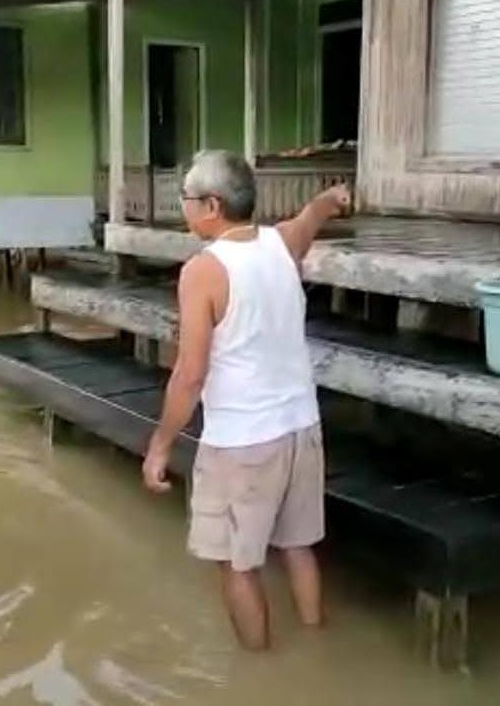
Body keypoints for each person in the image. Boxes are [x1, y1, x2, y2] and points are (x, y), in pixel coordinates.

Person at [142, 150, 350, 651]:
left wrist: (160, 446)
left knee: (237, 563)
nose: (183, 207)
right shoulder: (282, 244)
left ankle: (259, 671)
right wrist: (333, 200)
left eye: (187, 198)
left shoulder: (203, 271)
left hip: (242, 443)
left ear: (211, 205)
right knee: (299, 547)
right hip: (302, 429)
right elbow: (310, 216)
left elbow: (190, 374)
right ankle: (316, 652)